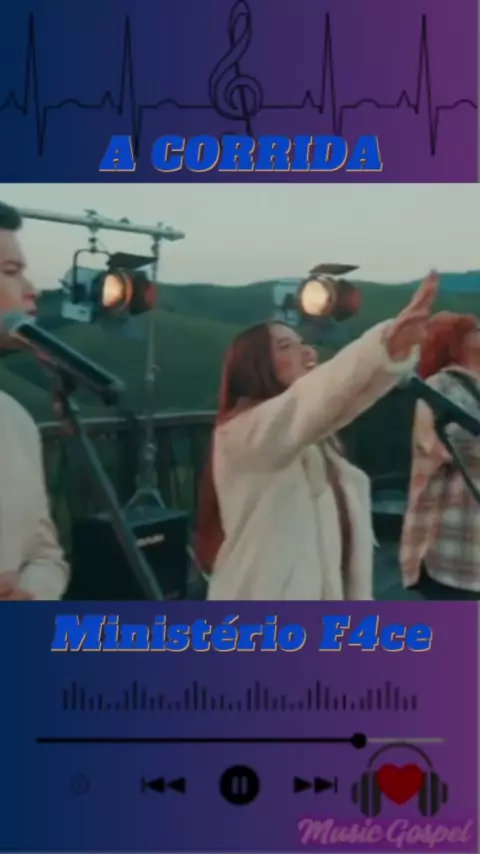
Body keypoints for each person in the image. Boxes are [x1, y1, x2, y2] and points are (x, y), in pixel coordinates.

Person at [195, 272, 438, 600]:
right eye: (286, 346)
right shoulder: (243, 434)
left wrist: (392, 354)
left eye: (303, 343)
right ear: (255, 366)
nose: (308, 352)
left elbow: (342, 400)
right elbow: (320, 395)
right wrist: (386, 345)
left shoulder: (312, 440)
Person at [0, 201, 69, 600]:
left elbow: (46, 555)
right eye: (11, 271)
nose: (31, 289)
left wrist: (31, 593)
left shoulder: (15, 420)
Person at [401, 312, 480, 600]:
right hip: (457, 540)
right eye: (474, 330)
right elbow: (450, 445)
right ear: (453, 342)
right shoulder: (440, 385)